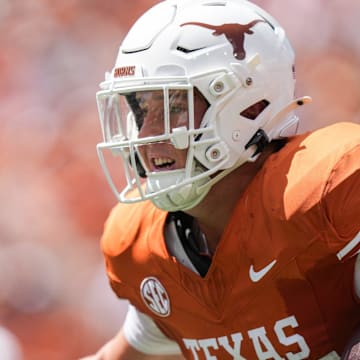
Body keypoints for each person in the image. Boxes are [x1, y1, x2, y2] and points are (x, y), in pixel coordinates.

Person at [80, 0, 360, 358]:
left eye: (173, 106)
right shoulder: (144, 247)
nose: (146, 133)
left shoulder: (327, 190)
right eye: (140, 109)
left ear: (251, 107)